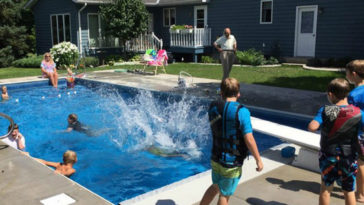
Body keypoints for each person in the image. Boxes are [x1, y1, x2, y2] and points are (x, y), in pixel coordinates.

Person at [200, 78, 263, 205]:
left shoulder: (213, 107)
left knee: (215, 186)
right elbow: (249, 139)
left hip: (216, 158)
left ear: (221, 93)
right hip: (231, 163)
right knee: (225, 194)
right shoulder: (242, 112)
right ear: (238, 93)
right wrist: (258, 159)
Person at [308, 78, 363, 205]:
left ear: (331, 94)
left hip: (329, 156)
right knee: (348, 191)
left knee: (326, 189)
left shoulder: (327, 110)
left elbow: (312, 127)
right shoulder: (357, 112)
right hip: (349, 156)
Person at [346, 60, 364, 203]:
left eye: (346, 73)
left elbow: (350, 115)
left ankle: (360, 194)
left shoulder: (354, 95)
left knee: (361, 163)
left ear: (353, 74)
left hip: (360, 132)